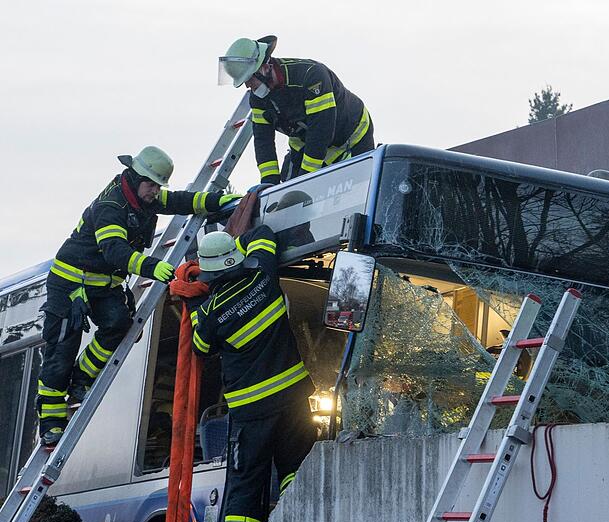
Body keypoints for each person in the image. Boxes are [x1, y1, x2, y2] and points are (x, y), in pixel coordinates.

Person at [36, 146, 240, 446]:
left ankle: (81, 378)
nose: (155, 191)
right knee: (61, 351)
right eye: (151, 184)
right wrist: (151, 267)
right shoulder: (111, 206)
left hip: (103, 284)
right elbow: (114, 251)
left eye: (158, 186)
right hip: (70, 283)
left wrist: (218, 202)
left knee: (119, 324)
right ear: (134, 177)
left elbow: (181, 201)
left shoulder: (145, 197)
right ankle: (51, 421)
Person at [186, 226, 317, 522]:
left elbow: (200, 347)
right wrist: (239, 242)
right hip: (294, 401)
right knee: (297, 471)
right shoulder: (263, 274)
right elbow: (262, 232)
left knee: (246, 490)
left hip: (251, 414)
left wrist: (193, 300)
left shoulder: (212, 312)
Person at [218, 35, 374, 184]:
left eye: (249, 79)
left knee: (358, 186)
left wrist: (306, 178)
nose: (247, 86)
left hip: (351, 136)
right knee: (289, 191)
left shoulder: (311, 76)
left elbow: (321, 131)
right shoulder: (258, 99)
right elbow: (263, 140)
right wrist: (268, 181)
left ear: (265, 68)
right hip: (305, 143)